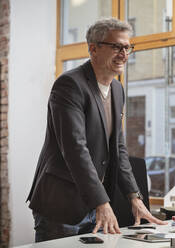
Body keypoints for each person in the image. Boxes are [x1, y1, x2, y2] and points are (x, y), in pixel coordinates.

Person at [26, 18, 166, 242]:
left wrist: (134, 197)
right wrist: (101, 202)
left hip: (95, 203)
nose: (124, 53)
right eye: (117, 47)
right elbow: (75, 149)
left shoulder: (117, 89)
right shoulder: (70, 85)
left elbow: (118, 148)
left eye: (127, 47)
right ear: (93, 48)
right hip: (61, 203)